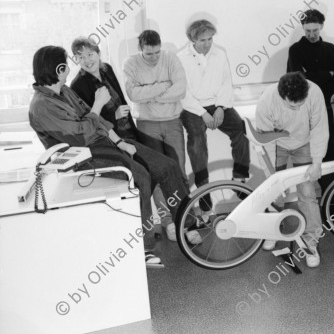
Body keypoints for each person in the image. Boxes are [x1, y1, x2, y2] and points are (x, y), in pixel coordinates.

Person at [28, 46, 194, 267]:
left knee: (167, 166)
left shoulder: (64, 91)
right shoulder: (41, 106)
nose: (71, 65)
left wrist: (120, 142)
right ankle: (143, 248)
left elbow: (99, 123)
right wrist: (97, 105)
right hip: (83, 156)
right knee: (142, 178)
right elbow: (80, 137)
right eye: (67, 62)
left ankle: (186, 223)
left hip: (105, 142)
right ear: (60, 68)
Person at [69, 36, 199, 244]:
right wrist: (114, 117)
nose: (86, 60)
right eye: (80, 56)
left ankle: (186, 222)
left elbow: (123, 100)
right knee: (151, 177)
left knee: (166, 170)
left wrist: (129, 128)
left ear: (98, 54)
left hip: (130, 134)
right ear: (76, 59)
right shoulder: (77, 85)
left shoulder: (107, 70)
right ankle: (147, 237)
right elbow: (90, 123)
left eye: (90, 54)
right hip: (112, 142)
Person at [255, 72, 328, 268]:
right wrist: (271, 175)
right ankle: (271, 232)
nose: (296, 108)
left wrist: (317, 162)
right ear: (281, 96)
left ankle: (311, 242)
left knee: (307, 192)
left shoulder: (315, 93)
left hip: (303, 143)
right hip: (276, 144)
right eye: (291, 105)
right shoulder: (267, 101)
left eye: (299, 104)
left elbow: (320, 128)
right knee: (271, 193)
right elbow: (265, 142)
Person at [123, 30, 188, 240]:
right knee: (159, 175)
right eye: (149, 54)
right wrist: (164, 87)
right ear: (140, 50)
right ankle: (168, 223)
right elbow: (133, 94)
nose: (154, 58)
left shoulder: (170, 58)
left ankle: (184, 220)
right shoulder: (130, 64)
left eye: (157, 53)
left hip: (172, 122)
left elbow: (181, 90)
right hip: (146, 124)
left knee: (179, 173)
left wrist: (150, 94)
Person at [178, 20, 249, 189]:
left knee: (241, 131)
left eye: (210, 39)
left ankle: (239, 179)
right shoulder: (180, 58)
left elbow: (226, 82)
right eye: (202, 40)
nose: (207, 44)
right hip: (193, 108)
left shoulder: (220, 53)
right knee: (197, 140)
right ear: (192, 40)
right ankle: (203, 187)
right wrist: (202, 113)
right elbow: (183, 92)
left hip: (218, 104)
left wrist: (221, 108)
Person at [287, 9, 334, 191]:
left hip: (331, 108)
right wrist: (326, 74)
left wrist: (311, 75)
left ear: (321, 27)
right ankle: (314, 198)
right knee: (310, 153)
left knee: (332, 152)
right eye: (308, 31)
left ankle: (332, 198)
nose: (311, 35)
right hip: (307, 110)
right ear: (302, 28)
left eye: (315, 31)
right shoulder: (295, 50)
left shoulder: (330, 48)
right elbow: (296, 81)